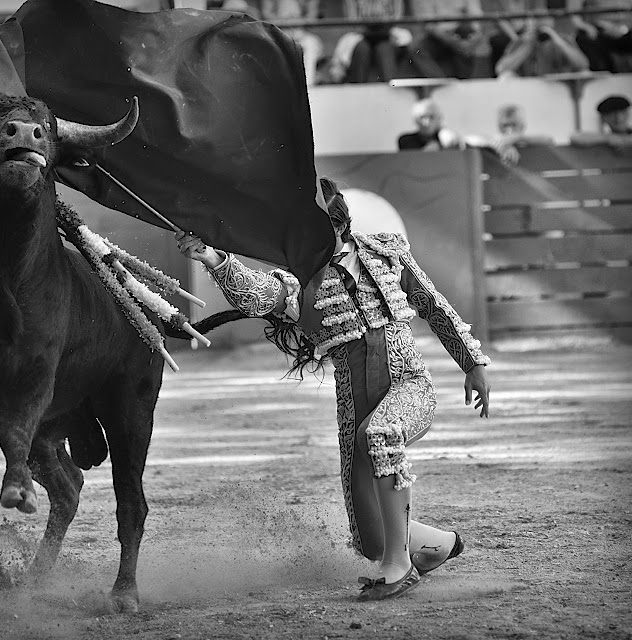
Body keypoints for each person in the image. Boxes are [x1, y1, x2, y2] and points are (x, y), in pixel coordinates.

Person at [176, 177, 491, 601]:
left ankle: (399, 569)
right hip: (355, 409)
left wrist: (472, 362)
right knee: (370, 540)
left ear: (339, 221)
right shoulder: (298, 281)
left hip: (409, 385)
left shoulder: (385, 250)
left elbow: (433, 305)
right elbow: (256, 294)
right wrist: (212, 257)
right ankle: (439, 546)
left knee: (381, 435)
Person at [494, 16, 589, 76]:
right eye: (538, 20)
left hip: (557, 87)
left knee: (585, 73)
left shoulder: (563, 39)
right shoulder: (522, 41)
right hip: (529, 88)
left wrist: (558, 41)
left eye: (545, 19)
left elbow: (583, 65)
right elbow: (500, 69)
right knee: (506, 76)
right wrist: (527, 46)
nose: (541, 24)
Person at [397, 99, 464, 150]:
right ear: (415, 120)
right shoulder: (406, 140)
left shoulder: (446, 137)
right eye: (422, 117)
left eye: (431, 117)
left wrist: (443, 131)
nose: (427, 122)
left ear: (439, 118)